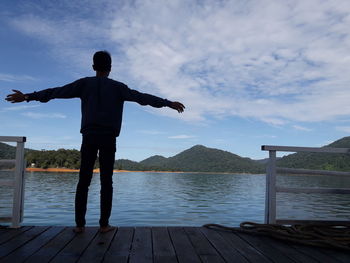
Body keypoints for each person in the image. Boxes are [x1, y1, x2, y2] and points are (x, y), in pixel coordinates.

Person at [5, 50, 185, 233]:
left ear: (93, 67)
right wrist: (168, 103)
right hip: (108, 138)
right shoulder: (118, 87)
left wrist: (27, 96)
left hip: (89, 137)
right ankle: (104, 225)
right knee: (107, 181)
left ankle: (79, 226)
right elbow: (142, 98)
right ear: (110, 68)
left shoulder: (84, 84)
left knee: (84, 181)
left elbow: (55, 92)